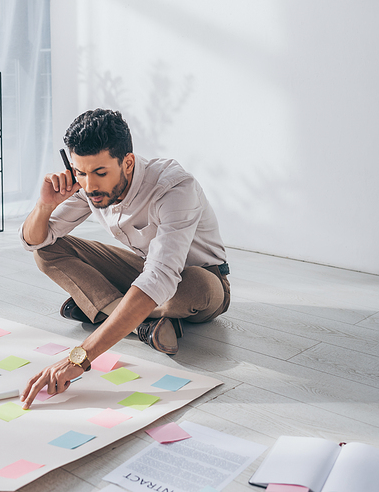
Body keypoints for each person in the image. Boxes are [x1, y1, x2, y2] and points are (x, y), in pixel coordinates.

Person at [19, 108, 230, 408]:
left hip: (201, 280)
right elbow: (35, 240)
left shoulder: (174, 188)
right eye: (80, 172)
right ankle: (139, 324)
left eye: (100, 173)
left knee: (197, 286)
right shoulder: (88, 185)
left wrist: (79, 358)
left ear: (127, 163)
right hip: (144, 272)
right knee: (47, 252)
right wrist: (44, 205)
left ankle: (101, 309)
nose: (89, 185)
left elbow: (160, 279)